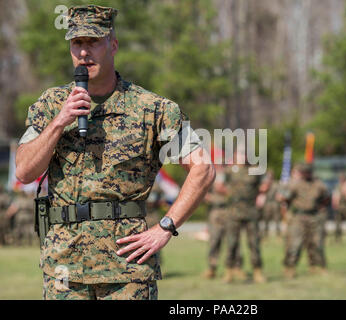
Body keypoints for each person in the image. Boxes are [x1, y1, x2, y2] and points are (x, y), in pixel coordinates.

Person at [15, 5, 215, 300]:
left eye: (93, 42)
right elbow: (24, 171)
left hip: (127, 271)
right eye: (77, 43)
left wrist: (165, 228)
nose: (84, 53)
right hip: (64, 269)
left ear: (114, 45)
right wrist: (60, 121)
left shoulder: (153, 109)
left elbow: (203, 169)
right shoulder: (51, 104)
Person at [278, 163, 330, 279]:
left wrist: (321, 206)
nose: (305, 174)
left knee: (316, 243)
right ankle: (290, 267)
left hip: (314, 216)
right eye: (303, 172)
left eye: (307, 172)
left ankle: (317, 266)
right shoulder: (295, 184)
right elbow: (284, 198)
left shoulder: (318, 184)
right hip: (298, 217)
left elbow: (326, 198)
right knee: (295, 243)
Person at [223, 151, 267, 284]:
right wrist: (229, 194)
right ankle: (229, 272)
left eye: (245, 155)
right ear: (235, 157)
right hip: (234, 212)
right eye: (240, 155)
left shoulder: (255, 171)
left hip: (250, 212)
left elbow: (264, 186)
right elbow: (220, 185)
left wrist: (262, 195)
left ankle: (257, 271)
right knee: (232, 243)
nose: (243, 157)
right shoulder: (229, 171)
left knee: (254, 243)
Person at [202, 164, 243, 280]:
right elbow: (202, 190)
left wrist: (227, 192)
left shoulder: (233, 176)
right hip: (216, 212)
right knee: (214, 240)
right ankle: (212, 268)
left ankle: (236, 267)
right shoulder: (211, 175)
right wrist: (208, 197)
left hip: (231, 211)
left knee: (234, 241)